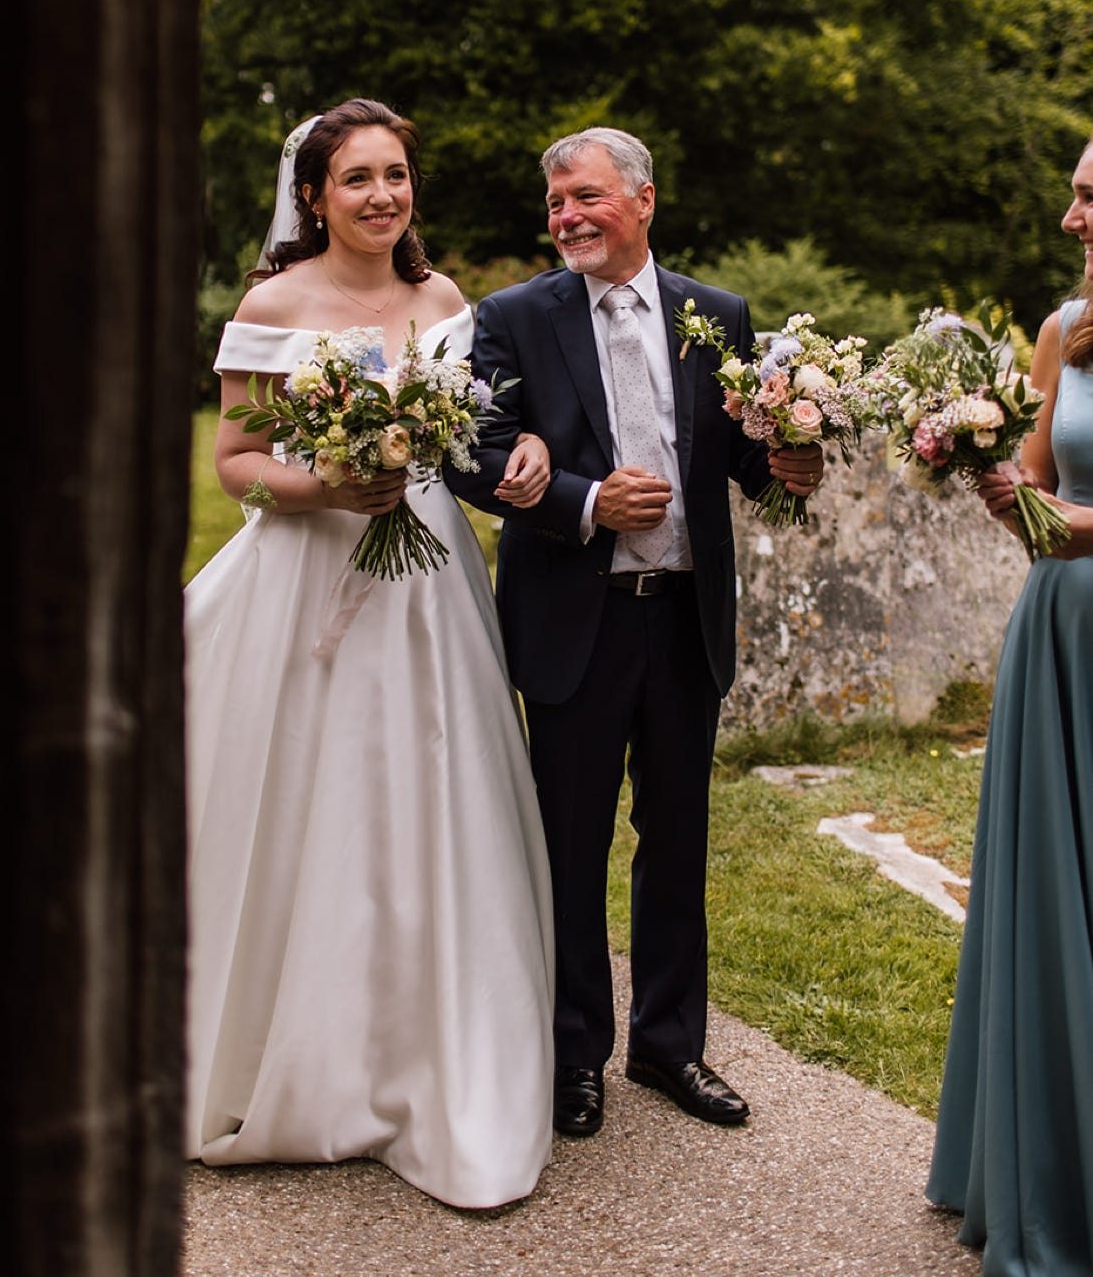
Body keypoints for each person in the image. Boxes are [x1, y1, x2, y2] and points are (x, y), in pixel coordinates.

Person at [182, 99, 556, 1209]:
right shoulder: (273, 305)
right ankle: (298, 1053)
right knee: (313, 793)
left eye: (395, 175)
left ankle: (427, 1053)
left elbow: (481, 434)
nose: (382, 196)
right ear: (313, 197)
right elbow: (236, 461)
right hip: (307, 579)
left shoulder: (442, 301)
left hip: (429, 582)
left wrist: (529, 445)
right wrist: (326, 486)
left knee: (431, 792)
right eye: (356, 178)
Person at [446, 127, 822, 1139]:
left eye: (587, 196)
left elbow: (747, 453)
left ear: (644, 199)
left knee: (678, 838)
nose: (567, 216)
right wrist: (582, 501)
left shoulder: (717, 314)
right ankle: (574, 1054)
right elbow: (471, 451)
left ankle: (668, 1043)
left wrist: (793, 464)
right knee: (571, 844)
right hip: (579, 620)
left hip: (685, 618)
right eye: (556, 202)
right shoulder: (513, 317)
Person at [927, 136, 1093, 1274]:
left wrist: (1073, 524)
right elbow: (1039, 482)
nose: (1073, 218)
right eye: (1075, 195)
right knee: (1050, 892)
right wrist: (997, 480)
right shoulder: (1062, 330)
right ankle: (1050, 1170)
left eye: (1091, 197)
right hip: (1061, 632)